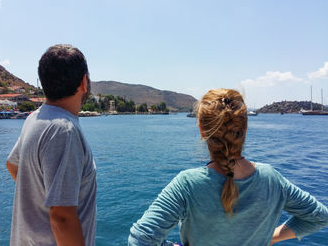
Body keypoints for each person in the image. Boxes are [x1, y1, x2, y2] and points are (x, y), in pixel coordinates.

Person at [128, 89, 328, 246]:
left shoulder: (187, 185)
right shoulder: (272, 179)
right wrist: (271, 237)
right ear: (245, 129)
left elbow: (141, 240)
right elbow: (319, 217)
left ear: (201, 129)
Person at [6, 44, 97, 246]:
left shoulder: (34, 119)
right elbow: (62, 218)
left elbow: (12, 165)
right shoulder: (64, 131)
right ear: (84, 82)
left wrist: (38, 197)